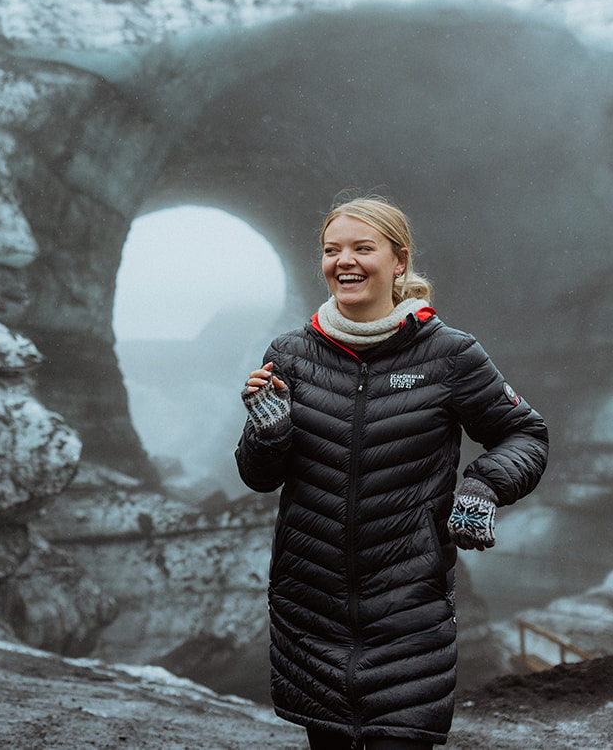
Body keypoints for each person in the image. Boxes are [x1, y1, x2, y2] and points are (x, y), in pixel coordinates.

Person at [235, 196, 548, 750]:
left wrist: (482, 486)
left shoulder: (449, 355)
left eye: (362, 248)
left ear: (399, 261)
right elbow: (260, 478)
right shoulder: (290, 356)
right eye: (332, 250)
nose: (344, 261)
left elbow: (524, 433)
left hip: (408, 607)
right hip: (312, 612)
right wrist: (269, 430)